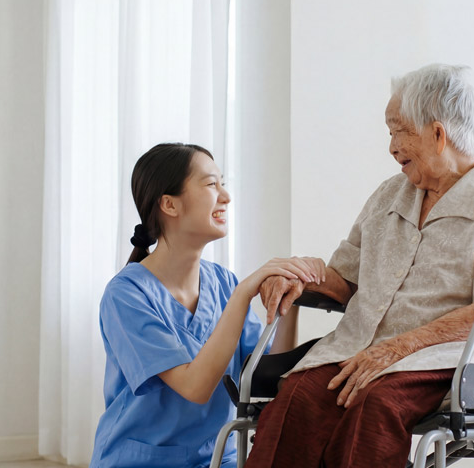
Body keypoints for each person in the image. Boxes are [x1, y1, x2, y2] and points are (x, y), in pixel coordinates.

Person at [245, 64, 474, 468]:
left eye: (399, 131)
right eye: (390, 132)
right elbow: (344, 280)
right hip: (359, 347)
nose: (392, 146)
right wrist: (299, 273)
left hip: (445, 356)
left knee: (375, 406)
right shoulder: (388, 195)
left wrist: (398, 347)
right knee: (296, 397)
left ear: (437, 133)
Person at [90, 143, 323, 468]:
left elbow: (267, 377)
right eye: (212, 184)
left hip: (218, 459)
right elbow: (194, 386)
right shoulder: (126, 295)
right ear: (169, 204)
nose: (226, 196)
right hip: (143, 461)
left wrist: (289, 302)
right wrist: (244, 294)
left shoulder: (222, 283)